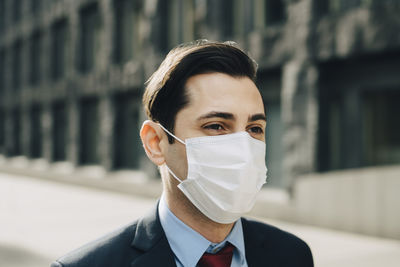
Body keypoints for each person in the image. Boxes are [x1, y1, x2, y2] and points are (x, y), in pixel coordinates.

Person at [51, 40, 313, 267]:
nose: (243, 148)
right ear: (156, 142)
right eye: (216, 126)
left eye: (254, 128)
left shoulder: (292, 255)